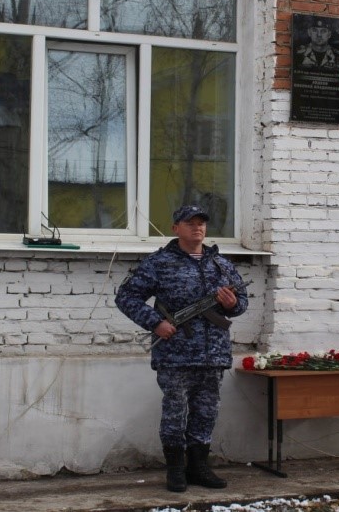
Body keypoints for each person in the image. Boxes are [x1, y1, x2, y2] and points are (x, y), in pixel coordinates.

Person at [115, 204, 248, 492]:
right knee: (175, 412)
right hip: (175, 353)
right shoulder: (159, 263)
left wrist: (231, 304)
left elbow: (242, 303)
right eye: (190, 223)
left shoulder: (221, 265)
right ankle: (175, 470)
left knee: (206, 413)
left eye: (201, 222)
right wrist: (155, 323)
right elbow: (126, 297)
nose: (197, 227)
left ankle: (198, 467)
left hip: (213, 354)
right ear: (176, 228)